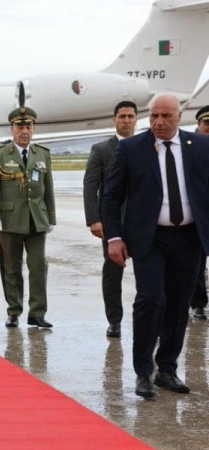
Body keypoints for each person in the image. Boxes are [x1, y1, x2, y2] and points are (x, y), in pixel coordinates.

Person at [102, 93, 209, 398]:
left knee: (179, 304)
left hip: (189, 239)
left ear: (179, 116)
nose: (159, 122)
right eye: (153, 116)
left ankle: (167, 369)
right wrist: (114, 237)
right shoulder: (131, 148)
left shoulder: (201, 146)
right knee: (150, 300)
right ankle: (143, 372)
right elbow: (111, 196)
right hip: (149, 239)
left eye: (166, 116)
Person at [0, 107, 56, 328]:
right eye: (20, 127)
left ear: (33, 129)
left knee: (38, 267)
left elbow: (48, 188)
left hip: (37, 219)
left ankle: (37, 313)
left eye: (28, 126)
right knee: (11, 269)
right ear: (12, 129)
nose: (24, 131)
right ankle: (14, 311)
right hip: (9, 220)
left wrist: (51, 217)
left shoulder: (42, 154)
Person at [82, 101, 138, 337]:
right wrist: (94, 219)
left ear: (136, 119)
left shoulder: (148, 146)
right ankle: (114, 320)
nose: (126, 120)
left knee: (149, 272)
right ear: (114, 119)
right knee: (113, 273)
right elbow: (90, 185)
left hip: (142, 221)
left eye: (130, 116)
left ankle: (150, 319)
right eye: (122, 116)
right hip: (113, 223)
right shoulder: (101, 149)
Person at [190, 105, 209, 320]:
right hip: (199, 214)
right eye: (207, 124)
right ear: (199, 124)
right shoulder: (189, 148)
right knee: (197, 262)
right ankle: (198, 303)